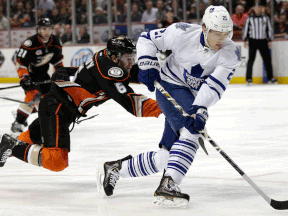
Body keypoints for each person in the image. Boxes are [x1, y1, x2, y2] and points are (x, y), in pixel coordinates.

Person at [96, 5, 241, 208]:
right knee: (191, 132)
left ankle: (116, 168)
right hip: (169, 86)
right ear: (205, 28)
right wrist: (147, 63)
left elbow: (214, 86)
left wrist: (200, 108)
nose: (221, 39)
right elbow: (148, 39)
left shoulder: (231, 52)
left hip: (192, 95)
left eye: (226, 34)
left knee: (168, 156)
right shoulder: (181, 32)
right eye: (217, 33)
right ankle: (168, 185)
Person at [0, 36, 161, 173]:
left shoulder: (106, 58)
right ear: (114, 57)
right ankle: (11, 146)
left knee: (28, 139)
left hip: (61, 107)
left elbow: (133, 73)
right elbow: (133, 103)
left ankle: (8, 147)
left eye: (132, 57)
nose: (131, 62)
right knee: (57, 161)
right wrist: (166, 107)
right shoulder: (108, 71)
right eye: (128, 58)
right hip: (57, 109)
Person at [11, 17, 63, 133]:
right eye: (44, 29)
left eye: (49, 29)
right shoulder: (29, 44)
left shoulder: (56, 42)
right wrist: (24, 78)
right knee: (33, 97)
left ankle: (25, 112)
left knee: (50, 98)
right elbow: (20, 63)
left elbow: (57, 61)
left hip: (44, 75)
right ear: (38, 30)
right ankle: (18, 123)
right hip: (30, 76)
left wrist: (60, 73)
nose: (46, 32)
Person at [243, 5, 278, 85]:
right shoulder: (249, 18)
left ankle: (270, 78)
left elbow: (269, 29)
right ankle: (249, 79)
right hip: (253, 40)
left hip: (263, 41)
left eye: (259, 8)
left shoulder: (265, 18)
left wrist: (270, 39)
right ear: (253, 9)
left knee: (267, 60)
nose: (258, 9)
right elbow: (246, 29)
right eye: (256, 8)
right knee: (251, 60)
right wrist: (245, 39)